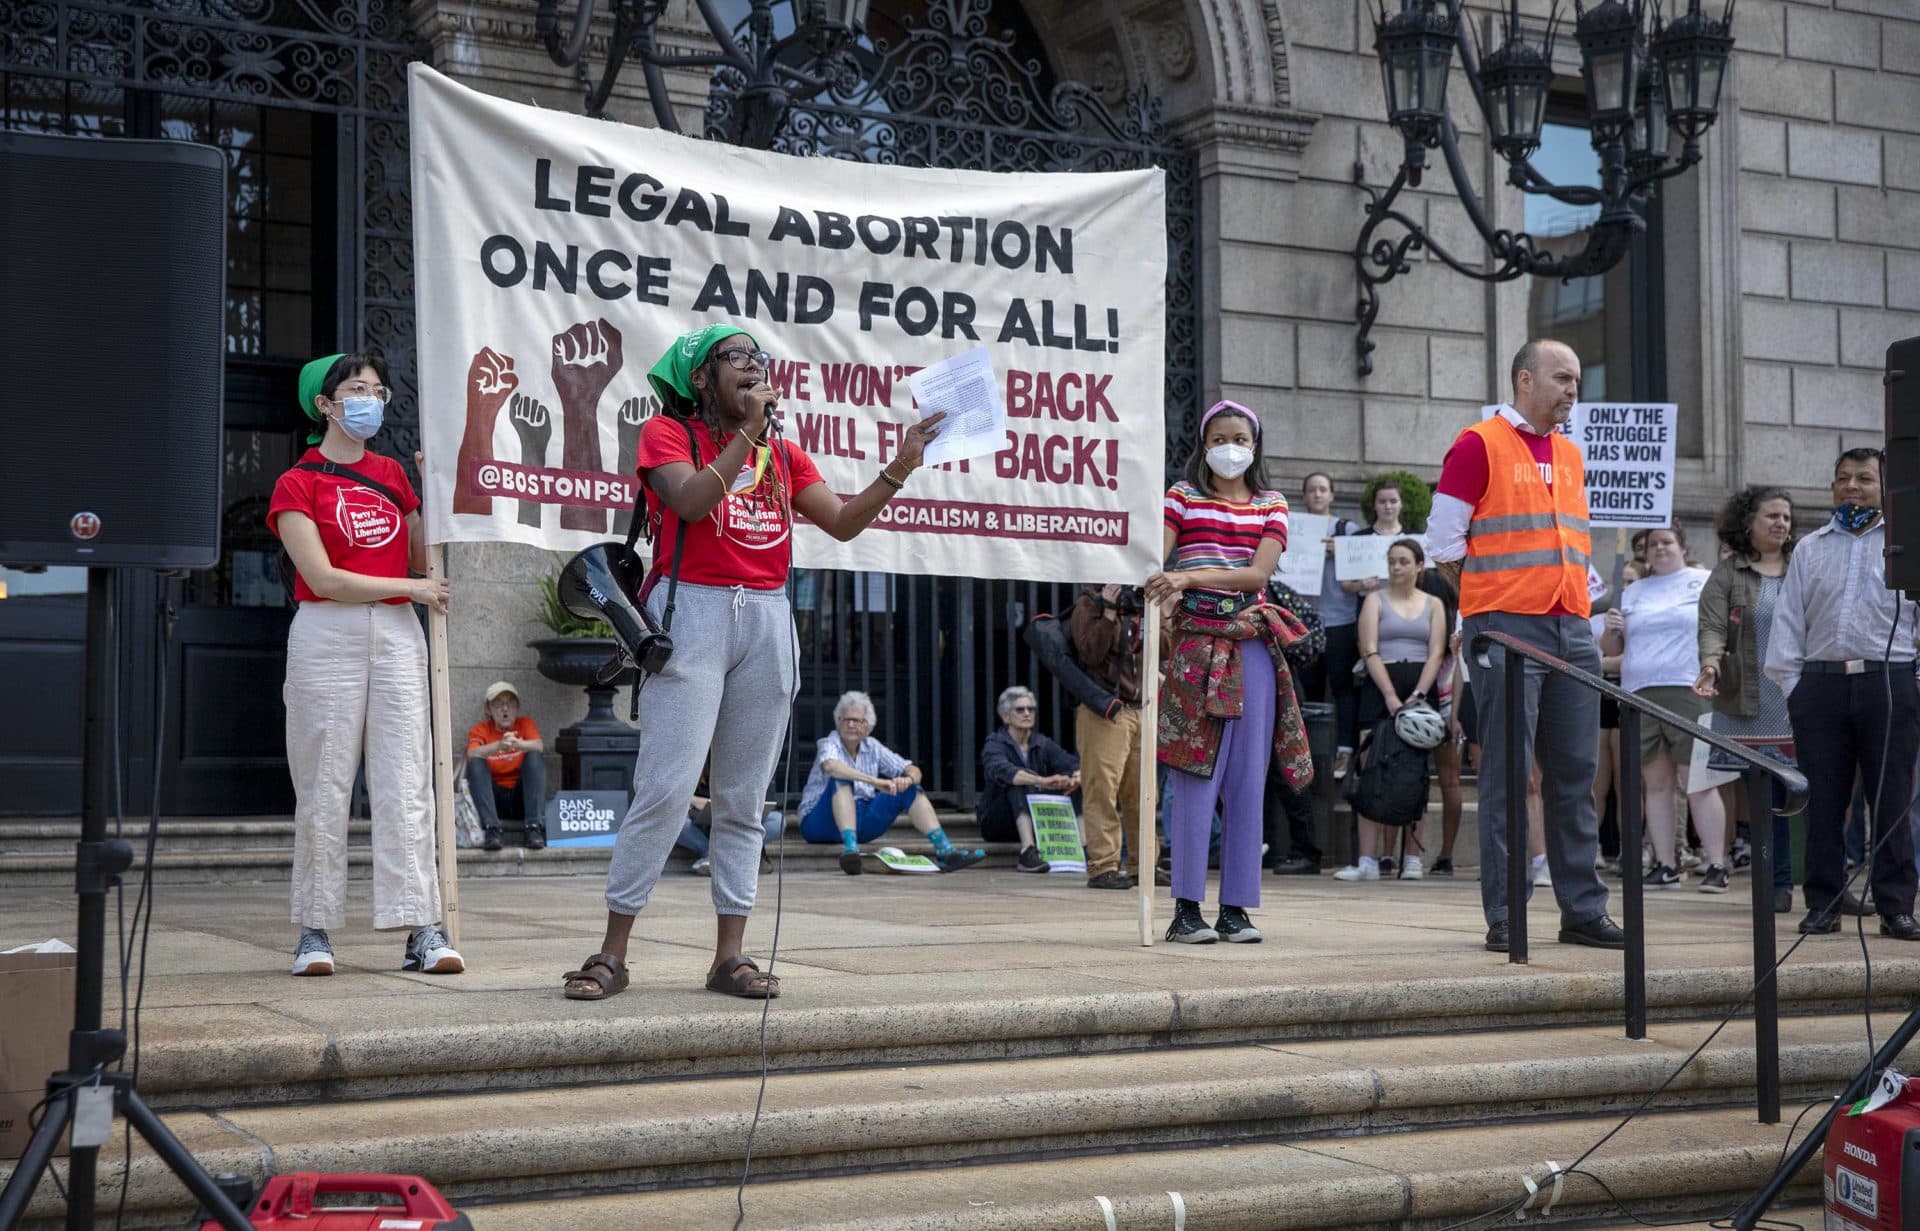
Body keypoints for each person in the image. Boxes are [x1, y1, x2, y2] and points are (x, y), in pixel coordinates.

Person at [562, 324, 946, 1001]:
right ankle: (612, 952)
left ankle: (729, 957)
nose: (755, 366)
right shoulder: (669, 436)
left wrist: (901, 464)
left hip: (767, 617)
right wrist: (748, 435)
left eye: (759, 358)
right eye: (737, 358)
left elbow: (845, 519)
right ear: (702, 378)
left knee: (745, 798)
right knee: (666, 787)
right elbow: (687, 499)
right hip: (696, 614)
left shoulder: (785, 455)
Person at [268, 351, 462, 977]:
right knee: (323, 782)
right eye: (356, 390)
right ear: (324, 404)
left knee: (407, 781)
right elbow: (321, 577)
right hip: (328, 631)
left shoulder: (391, 474)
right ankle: (315, 931)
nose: (370, 401)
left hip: (399, 636)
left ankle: (422, 928)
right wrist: (410, 590)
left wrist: (434, 490)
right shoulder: (297, 482)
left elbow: (419, 551)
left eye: (377, 391)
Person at [1429, 339, 1621, 953]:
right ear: (1524, 380)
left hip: (1572, 627)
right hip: (1507, 629)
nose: (1572, 389)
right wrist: (1485, 606)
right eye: (1562, 378)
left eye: (1576, 379)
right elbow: (1443, 543)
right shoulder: (1477, 443)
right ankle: (1508, 914)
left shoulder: (1570, 454)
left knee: (1576, 775)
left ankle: (1582, 911)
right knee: (1510, 778)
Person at [1150, 400, 1313, 944]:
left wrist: (1188, 580)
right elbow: (1156, 556)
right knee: (1193, 774)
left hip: (1252, 645)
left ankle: (1237, 908)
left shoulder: (1273, 503)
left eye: (1241, 438)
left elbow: (1257, 573)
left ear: (1255, 445)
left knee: (1247, 780)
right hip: (1196, 646)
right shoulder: (1182, 495)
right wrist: (1163, 578)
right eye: (1221, 437)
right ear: (1203, 444)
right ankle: (1186, 910)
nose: (1231, 447)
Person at [1766, 448, 1920, 940]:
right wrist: (1795, 687)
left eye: (1864, 479)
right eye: (1842, 478)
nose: (1851, 486)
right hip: (1822, 685)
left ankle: (1895, 906)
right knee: (1824, 800)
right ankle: (1825, 904)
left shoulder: (1904, 546)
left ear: (1885, 487)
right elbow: (1790, 619)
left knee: (1891, 799)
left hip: (1890, 680)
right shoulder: (1810, 547)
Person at [1601, 527, 1729, 892]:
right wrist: (1612, 628)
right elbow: (1611, 647)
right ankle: (1665, 863)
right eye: (1652, 544)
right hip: (1640, 690)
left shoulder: (1703, 581)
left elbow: (1722, 630)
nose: (1659, 549)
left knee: (1697, 781)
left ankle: (1716, 863)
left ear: (1684, 547)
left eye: (1666, 542)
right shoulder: (1634, 590)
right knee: (1656, 784)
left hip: (1689, 687)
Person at [1694, 487, 1798, 913]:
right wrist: (1710, 666)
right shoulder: (1727, 574)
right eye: (1772, 516)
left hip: (1799, 698)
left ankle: (1808, 878)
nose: (1781, 524)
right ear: (1748, 523)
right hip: (1747, 699)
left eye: (1787, 518)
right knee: (1763, 797)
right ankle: (1774, 883)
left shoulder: (1801, 565)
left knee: (1801, 793)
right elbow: (1713, 627)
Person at [1335, 539, 1446, 881]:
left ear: (1418, 566)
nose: (1396, 567)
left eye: (1403, 561)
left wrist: (1418, 694)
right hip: (1380, 687)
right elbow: (1368, 649)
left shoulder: (1434, 603)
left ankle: (1412, 857)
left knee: (1415, 772)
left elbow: (1436, 653)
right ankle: (1367, 860)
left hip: (1419, 690)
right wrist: (1390, 696)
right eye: (1392, 561)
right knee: (1371, 767)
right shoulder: (1374, 599)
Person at [798, 690, 986, 874]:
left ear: (868, 727)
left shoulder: (872, 746)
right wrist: (875, 781)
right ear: (838, 723)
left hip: (862, 821)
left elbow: (913, 769)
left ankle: (945, 852)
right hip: (820, 822)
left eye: (857, 721)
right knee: (841, 778)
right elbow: (831, 767)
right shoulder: (829, 742)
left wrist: (908, 779)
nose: (851, 725)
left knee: (911, 789)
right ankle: (850, 852)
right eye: (845, 719)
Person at [1068, 585, 1147, 890]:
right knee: (1102, 788)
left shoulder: (1143, 606)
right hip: (1105, 710)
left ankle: (1144, 865)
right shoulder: (1090, 604)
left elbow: (1166, 649)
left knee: (1142, 792)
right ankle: (1103, 866)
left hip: (1141, 708)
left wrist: (1161, 614)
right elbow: (1090, 653)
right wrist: (1110, 612)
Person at [1336, 476, 1411, 774]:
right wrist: (1360, 584)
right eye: (1382, 501)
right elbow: (1345, 584)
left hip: (1403, 621)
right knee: (1367, 681)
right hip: (1367, 620)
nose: (1388, 506)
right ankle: (1364, 751)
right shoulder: (1359, 539)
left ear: (1401, 504)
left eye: (1393, 500)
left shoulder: (1412, 541)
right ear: (1374, 505)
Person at [1296, 473, 1363, 777]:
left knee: (1341, 686)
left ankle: (1345, 750)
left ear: (1332, 495)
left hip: (1340, 619)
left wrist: (1342, 551)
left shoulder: (1346, 529)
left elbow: (1364, 568)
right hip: (1305, 620)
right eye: (1312, 490)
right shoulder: (1294, 528)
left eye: (1323, 489)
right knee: (1308, 686)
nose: (1318, 495)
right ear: (1305, 496)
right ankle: (1307, 751)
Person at [978, 685, 1081, 872]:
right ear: (1006, 716)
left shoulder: (1041, 743)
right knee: (1017, 783)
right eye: (1020, 709)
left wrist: (1075, 778)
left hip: (1038, 820)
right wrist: (1043, 781)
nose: (1027, 713)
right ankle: (1028, 851)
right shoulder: (995, 744)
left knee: (1076, 786)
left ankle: (1084, 849)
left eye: (1030, 709)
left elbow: (1072, 764)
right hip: (999, 822)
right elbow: (1004, 771)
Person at [1264, 576, 1327, 876]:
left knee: (1288, 770)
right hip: (1258, 688)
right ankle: (1263, 846)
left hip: (1280, 689)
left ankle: (1305, 849)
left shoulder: (1279, 596)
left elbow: (1309, 639)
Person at [464, 681, 547, 852]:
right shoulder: (480, 730)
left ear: (517, 708)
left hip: (520, 799)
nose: (505, 709)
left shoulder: (525, 724)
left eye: (510, 703)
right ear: (488, 709)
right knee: (476, 763)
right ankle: (492, 829)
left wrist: (519, 744)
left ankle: (533, 828)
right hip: (495, 800)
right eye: (498, 704)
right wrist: (499, 746)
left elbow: (539, 746)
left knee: (534, 756)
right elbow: (471, 754)